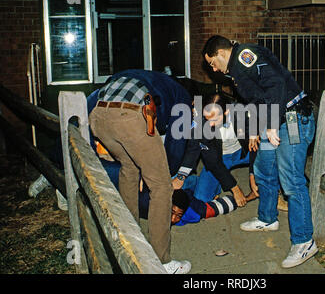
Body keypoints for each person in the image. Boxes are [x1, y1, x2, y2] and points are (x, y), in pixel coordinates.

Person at [202, 35, 317, 269]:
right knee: (263, 169)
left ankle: (305, 242)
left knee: (292, 181)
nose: (213, 68)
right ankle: (267, 218)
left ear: (221, 53)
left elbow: (275, 85)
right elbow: (256, 99)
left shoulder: (245, 57)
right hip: (272, 121)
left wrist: (272, 124)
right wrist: (255, 129)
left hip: (293, 120)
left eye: (212, 62)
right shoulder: (235, 69)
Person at [88, 69, 191, 274]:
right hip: (131, 115)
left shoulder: (148, 77)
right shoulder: (183, 97)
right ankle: (161, 263)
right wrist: (163, 172)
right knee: (161, 187)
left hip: (98, 116)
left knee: (129, 168)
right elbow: (177, 143)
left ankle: (129, 238)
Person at [172, 93, 258, 205]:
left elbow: (258, 148)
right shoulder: (201, 123)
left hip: (244, 152)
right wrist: (235, 188)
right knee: (202, 198)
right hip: (221, 157)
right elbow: (212, 161)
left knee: (268, 148)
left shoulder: (242, 113)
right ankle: (195, 181)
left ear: (227, 112)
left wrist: (254, 173)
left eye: (215, 119)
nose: (210, 124)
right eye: (207, 119)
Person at [171, 187, 243, 226]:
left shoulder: (196, 213)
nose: (173, 219)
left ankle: (215, 188)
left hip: (190, 188)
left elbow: (228, 203)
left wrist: (247, 198)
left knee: (204, 198)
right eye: (172, 212)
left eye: (179, 216)